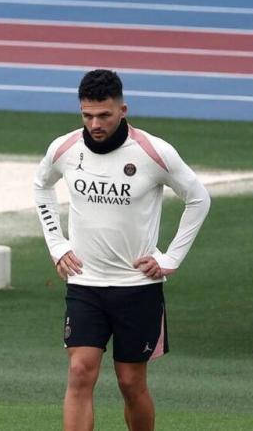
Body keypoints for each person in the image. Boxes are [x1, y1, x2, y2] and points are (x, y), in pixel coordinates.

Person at [34, 70, 210, 431]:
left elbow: (198, 198)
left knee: (131, 383)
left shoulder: (153, 152)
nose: (95, 124)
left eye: (104, 115)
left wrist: (170, 258)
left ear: (123, 109)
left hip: (138, 287)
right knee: (80, 371)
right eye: (87, 115)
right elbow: (41, 187)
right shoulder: (64, 149)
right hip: (85, 284)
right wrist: (57, 244)